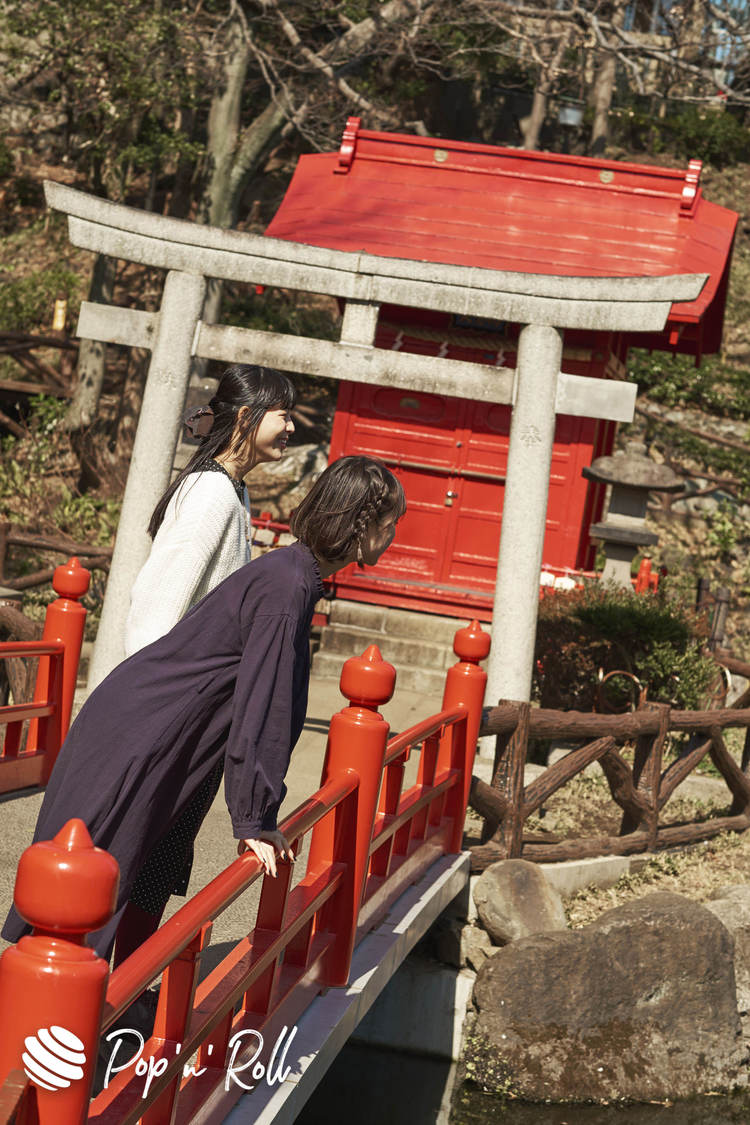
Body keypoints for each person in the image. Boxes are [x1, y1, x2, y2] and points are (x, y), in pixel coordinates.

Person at [2, 456, 406, 963]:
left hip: (174, 731)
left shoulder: (295, 576)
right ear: (359, 522)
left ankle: (115, 1007)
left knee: (153, 870)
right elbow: (265, 705)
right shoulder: (288, 584)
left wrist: (255, 811)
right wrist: (255, 819)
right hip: (149, 731)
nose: (393, 535)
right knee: (99, 871)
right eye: (389, 523)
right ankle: (62, 1021)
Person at [124, 363, 296, 656]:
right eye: (283, 416)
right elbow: (157, 607)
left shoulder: (233, 487)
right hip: (172, 686)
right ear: (245, 417)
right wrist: (149, 689)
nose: (291, 427)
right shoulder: (210, 492)